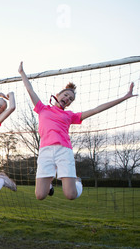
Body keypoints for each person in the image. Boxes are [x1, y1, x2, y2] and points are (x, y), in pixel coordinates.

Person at [18, 61, 137, 200]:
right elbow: (30, 90)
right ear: (58, 94)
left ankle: (78, 182)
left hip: (63, 151)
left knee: (70, 195)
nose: (68, 98)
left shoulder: (70, 115)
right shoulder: (42, 108)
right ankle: (49, 179)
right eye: (66, 95)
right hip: (45, 151)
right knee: (40, 195)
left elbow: (97, 109)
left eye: (71, 99)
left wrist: (124, 97)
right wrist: (21, 72)